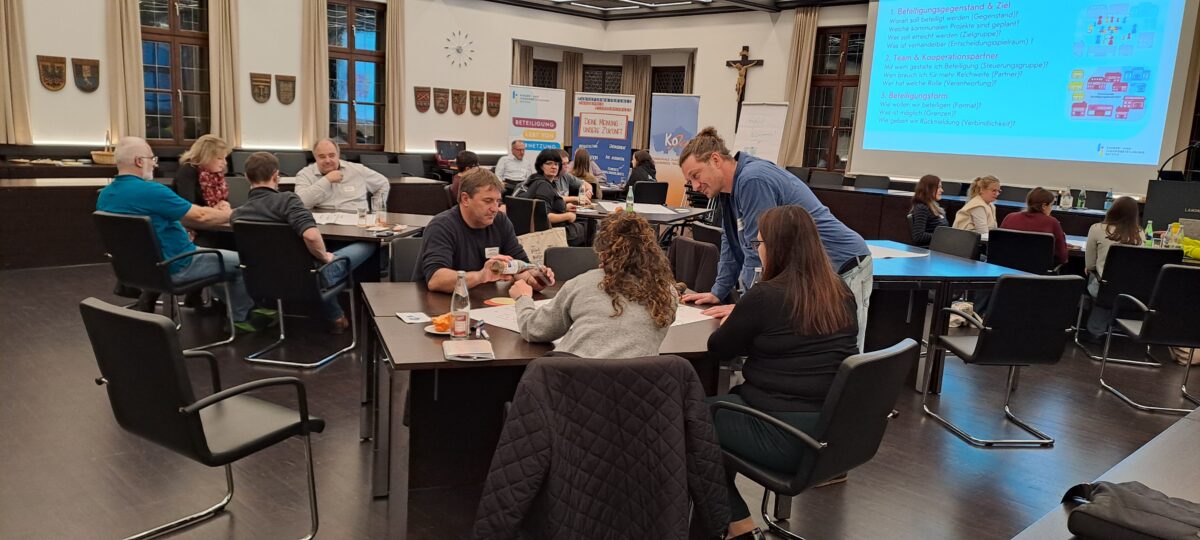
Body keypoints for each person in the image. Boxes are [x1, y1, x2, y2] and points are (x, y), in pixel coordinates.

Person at [706, 206, 859, 540]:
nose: (757, 249)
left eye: (760, 242)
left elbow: (720, 348)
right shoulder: (840, 292)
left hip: (784, 434)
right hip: (833, 434)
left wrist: (736, 317)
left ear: (776, 247)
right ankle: (719, 516)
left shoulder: (765, 295)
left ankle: (738, 526)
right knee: (719, 413)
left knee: (691, 419)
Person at [677, 127, 872, 351]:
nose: (695, 186)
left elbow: (758, 250)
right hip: (814, 270)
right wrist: (717, 292)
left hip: (844, 263)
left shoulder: (753, 180)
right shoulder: (727, 191)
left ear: (715, 160)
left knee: (845, 351)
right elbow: (731, 245)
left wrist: (746, 309)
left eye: (696, 175)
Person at [96, 136, 263, 332]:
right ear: (139, 161)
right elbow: (200, 216)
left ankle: (230, 307)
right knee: (243, 261)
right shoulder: (152, 191)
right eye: (152, 159)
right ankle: (241, 319)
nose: (154, 164)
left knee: (221, 258)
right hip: (178, 264)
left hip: (136, 270)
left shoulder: (105, 195)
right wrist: (237, 213)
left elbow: (188, 217)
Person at [230, 152, 377, 334]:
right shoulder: (288, 201)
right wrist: (325, 257)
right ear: (277, 175)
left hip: (262, 281)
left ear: (246, 177)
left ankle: (336, 315)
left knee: (309, 258)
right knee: (370, 244)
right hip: (308, 279)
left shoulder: (238, 214)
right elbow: (311, 237)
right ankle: (356, 317)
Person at [508, 212, 677, 358]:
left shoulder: (584, 283)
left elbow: (534, 330)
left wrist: (523, 298)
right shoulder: (667, 293)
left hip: (572, 383)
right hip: (637, 389)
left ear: (602, 251)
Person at [419, 168, 556, 293]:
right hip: (441, 306)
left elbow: (518, 265)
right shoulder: (442, 226)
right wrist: (481, 276)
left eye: (497, 201)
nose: (495, 208)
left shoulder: (500, 222)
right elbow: (436, 280)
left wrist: (533, 279)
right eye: (488, 201)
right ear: (465, 199)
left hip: (482, 303)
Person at [1081, 196, 1144, 341]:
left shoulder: (1097, 229)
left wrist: (1092, 269)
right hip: (1132, 291)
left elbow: (1090, 265)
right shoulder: (1140, 233)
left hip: (1104, 289)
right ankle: (1107, 325)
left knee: (1096, 279)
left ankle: (1095, 330)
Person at [293, 138, 389, 211]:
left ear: (338, 155)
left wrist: (377, 211)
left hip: (357, 223)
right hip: (324, 226)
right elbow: (301, 203)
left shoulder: (357, 170)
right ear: (315, 157)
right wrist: (326, 180)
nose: (327, 160)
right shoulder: (305, 174)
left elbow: (383, 183)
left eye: (331, 156)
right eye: (322, 157)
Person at [516, 149, 587, 247]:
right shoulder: (544, 186)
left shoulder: (535, 179)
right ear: (541, 166)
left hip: (536, 231)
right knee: (589, 226)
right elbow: (545, 216)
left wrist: (564, 207)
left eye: (556, 164)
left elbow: (542, 206)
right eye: (549, 163)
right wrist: (568, 215)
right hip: (550, 234)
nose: (554, 167)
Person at [999, 187, 1070, 266]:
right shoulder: (1052, 222)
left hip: (1007, 270)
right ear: (1044, 206)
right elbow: (1063, 257)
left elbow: (999, 247)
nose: (1051, 209)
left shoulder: (1010, 217)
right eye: (1051, 205)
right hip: (1038, 274)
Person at [173, 134, 232, 212]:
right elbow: (188, 207)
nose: (225, 163)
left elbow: (223, 200)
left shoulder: (216, 174)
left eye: (225, 158)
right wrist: (213, 210)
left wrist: (224, 205)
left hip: (212, 217)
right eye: (220, 158)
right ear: (206, 156)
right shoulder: (187, 171)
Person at [908, 174, 948, 246]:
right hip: (932, 249)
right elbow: (918, 236)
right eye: (939, 187)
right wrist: (942, 237)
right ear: (929, 189)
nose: (942, 190)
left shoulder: (936, 207)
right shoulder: (922, 208)